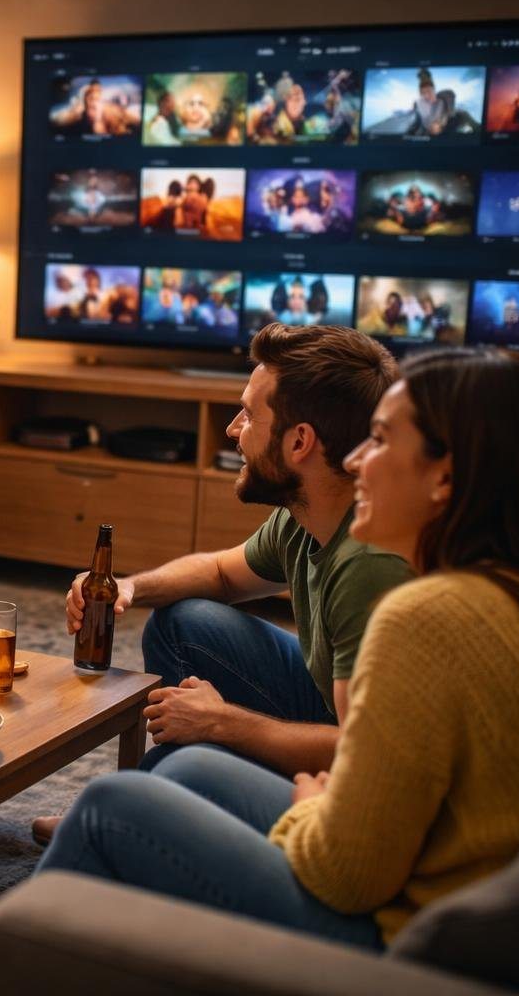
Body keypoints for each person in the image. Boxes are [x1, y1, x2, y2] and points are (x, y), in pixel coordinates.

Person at [37, 347, 519, 949]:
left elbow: (348, 875)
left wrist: (306, 799)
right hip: (448, 881)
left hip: (408, 935)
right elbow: (225, 574)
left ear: (444, 477)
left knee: (111, 807)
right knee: (188, 761)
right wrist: (128, 587)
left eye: (381, 441)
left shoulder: (425, 615)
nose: (359, 459)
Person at [37, 325, 410, 845]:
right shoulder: (310, 512)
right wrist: (128, 588)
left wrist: (222, 723)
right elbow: (218, 573)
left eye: (250, 414)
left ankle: (154, 799)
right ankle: (157, 789)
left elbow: (370, 755)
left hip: (366, 775)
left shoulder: (370, 567)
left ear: (300, 441)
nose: (233, 429)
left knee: (193, 752)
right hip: (332, 703)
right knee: (183, 621)